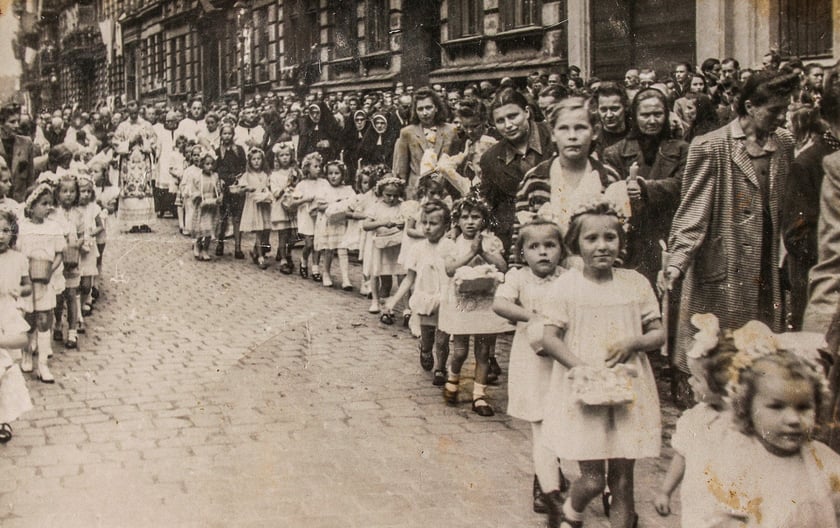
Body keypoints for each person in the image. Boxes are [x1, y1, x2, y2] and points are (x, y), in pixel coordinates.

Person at [664, 71, 800, 403]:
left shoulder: (783, 143)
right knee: (719, 362)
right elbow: (693, 211)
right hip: (724, 270)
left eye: (786, 109)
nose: (782, 117)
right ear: (750, 106)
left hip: (766, 268)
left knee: (761, 360)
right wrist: (677, 262)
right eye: (775, 110)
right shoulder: (711, 146)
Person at [541, 200, 665, 528]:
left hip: (628, 388)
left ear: (621, 242)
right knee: (594, 480)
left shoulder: (635, 283)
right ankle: (570, 510)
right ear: (575, 244)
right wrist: (580, 367)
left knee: (623, 481)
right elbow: (550, 337)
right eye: (591, 239)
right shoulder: (565, 286)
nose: (602, 246)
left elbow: (658, 334)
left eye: (610, 238)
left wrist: (634, 342)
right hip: (584, 391)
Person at [697, 344, 840, 526]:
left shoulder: (825, 461)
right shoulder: (736, 459)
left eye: (803, 408)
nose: (793, 419)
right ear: (746, 408)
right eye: (777, 407)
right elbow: (722, 518)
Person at [492, 218, 567, 517]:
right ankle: (549, 490)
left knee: (564, 422)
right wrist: (530, 316)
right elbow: (500, 304)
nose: (543, 253)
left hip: (561, 361)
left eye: (550, 245)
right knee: (540, 425)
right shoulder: (518, 278)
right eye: (534, 247)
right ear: (522, 252)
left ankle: (556, 477)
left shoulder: (568, 278)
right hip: (532, 364)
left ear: (562, 249)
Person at [653, 313, 735, 525]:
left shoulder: (741, 421)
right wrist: (665, 490)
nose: (690, 381)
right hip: (698, 500)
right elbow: (681, 456)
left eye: (697, 379)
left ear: (722, 384)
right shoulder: (694, 419)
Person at [604, 88, 688, 284]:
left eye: (658, 114)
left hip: (668, 235)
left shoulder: (683, 149)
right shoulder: (615, 153)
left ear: (667, 115)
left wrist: (645, 187)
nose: (652, 121)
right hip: (631, 240)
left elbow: (684, 184)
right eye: (645, 115)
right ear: (634, 116)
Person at [439, 195, 510, 417]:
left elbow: (503, 266)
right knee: (460, 351)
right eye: (465, 217)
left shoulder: (491, 242)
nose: (470, 222)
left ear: (484, 220)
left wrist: (484, 252)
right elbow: (450, 270)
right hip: (463, 303)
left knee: (483, 351)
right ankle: (453, 378)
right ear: (457, 220)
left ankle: (479, 395)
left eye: (476, 217)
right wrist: (471, 252)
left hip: (486, 301)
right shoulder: (452, 243)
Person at [384, 199, 454, 383]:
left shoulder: (450, 247)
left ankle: (440, 368)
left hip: (445, 298)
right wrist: (394, 300)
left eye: (433, 223)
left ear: (446, 225)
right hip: (424, 297)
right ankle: (424, 348)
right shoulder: (417, 249)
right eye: (425, 223)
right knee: (428, 336)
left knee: (443, 338)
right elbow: (409, 278)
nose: (428, 228)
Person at [479, 87, 556, 253]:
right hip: (517, 238)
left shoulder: (554, 135)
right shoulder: (490, 158)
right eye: (500, 121)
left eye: (513, 116)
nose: (508, 125)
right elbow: (488, 201)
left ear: (527, 112)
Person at [17, 183, 66, 383]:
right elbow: (18, 255)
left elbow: (60, 253)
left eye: (50, 203)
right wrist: (24, 273)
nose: (48, 207)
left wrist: (50, 270)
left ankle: (43, 365)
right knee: (28, 319)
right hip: (27, 280)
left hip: (46, 281)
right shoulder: (22, 228)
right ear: (31, 205)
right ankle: (27, 354)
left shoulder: (53, 227)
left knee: (44, 320)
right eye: (43, 204)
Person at [0, 209, 33, 444]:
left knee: (6, 370)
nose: (0, 235)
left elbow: (28, 286)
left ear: (13, 234)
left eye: (5, 230)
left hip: (7, 310)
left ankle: (3, 418)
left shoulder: (18, 258)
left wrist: (19, 291)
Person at [392, 87, 458, 200]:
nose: (425, 113)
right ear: (415, 111)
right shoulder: (407, 132)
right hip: (415, 191)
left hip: (443, 191)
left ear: (436, 108)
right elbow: (402, 171)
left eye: (428, 108)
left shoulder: (450, 130)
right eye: (420, 109)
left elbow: (455, 163)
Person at [362, 175, 407, 316]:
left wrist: (402, 224)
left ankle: (406, 305)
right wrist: (382, 223)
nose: (392, 199)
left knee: (401, 273)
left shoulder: (402, 206)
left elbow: (409, 221)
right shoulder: (376, 207)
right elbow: (366, 225)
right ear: (381, 193)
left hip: (396, 244)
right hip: (380, 245)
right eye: (388, 195)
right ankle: (375, 301)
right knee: (378, 272)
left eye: (396, 195)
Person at [113, 100, 157, 233]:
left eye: (135, 112)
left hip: (143, 163)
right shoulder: (122, 126)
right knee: (131, 191)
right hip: (129, 163)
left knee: (143, 189)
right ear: (127, 111)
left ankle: (144, 222)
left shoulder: (147, 125)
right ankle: (132, 223)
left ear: (139, 111)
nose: (133, 115)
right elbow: (115, 143)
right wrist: (130, 142)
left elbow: (154, 142)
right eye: (130, 112)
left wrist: (144, 142)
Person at [50, 174, 83, 350]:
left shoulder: (79, 214)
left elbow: (83, 234)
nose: (68, 194)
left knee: (71, 294)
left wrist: (78, 243)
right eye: (64, 191)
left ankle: (72, 330)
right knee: (57, 296)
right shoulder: (53, 214)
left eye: (71, 191)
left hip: (72, 260)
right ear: (58, 193)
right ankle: (57, 323)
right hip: (58, 260)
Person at [313, 160, 356, 289]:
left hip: (341, 222)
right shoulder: (324, 189)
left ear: (342, 175)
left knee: (343, 249)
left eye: (336, 173)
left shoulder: (347, 190)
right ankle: (326, 273)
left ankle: (345, 278)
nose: (333, 176)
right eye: (330, 173)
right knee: (329, 249)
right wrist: (335, 203)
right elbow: (320, 206)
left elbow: (353, 203)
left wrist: (345, 204)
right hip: (328, 224)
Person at [289, 152, 325, 280]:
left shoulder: (323, 183)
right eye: (315, 166)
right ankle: (303, 262)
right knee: (309, 243)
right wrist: (305, 199)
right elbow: (293, 203)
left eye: (319, 166)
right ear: (307, 168)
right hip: (306, 217)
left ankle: (315, 269)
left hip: (319, 216)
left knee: (317, 244)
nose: (318, 169)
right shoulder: (302, 185)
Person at [215, 123, 247, 258]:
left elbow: (244, 166)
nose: (227, 136)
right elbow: (215, 168)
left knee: (237, 217)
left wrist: (240, 177)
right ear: (221, 135)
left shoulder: (239, 150)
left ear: (233, 135)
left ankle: (238, 248)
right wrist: (220, 179)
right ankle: (220, 243)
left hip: (236, 185)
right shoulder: (218, 152)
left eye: (229, 133)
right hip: (224, 187)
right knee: (222, 217)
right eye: (224, 133)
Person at [238, 148, 273, 268]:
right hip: (254, 205)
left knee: (265, 231)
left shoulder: (265, 175)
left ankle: (256, 251)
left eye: (259, 159)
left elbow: (269, 187)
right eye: (254, 159)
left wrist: (267, 192)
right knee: (259, 231)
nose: (256, 161)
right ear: (250, 161)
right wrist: (247, 188)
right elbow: (240, 190)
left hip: (264, 205)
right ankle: (260, 257)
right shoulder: (247, 175)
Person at [268, 143, 300, 274]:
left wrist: (295, 183)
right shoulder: (275, 175)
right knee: (283, 235)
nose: (285, 158)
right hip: (281, 207)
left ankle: (288, 254)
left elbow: (299, 186)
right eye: (282, 155)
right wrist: (285, 186)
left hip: (292, 206)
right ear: (277, 158)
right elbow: (275, 194)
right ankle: (283, 260)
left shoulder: (295, 172)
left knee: (293, 235)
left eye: (287, 155)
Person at [76, 175, 102, 326]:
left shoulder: (94, 208)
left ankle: (86, 299)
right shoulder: (73, 209)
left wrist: (92, 232)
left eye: (88, 191)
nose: (85, 194)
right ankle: (78, 311)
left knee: (86, 284)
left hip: (89, 248)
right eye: (82, 191)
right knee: (76, 282)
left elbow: (100, 226)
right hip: (77, 248)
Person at [189, 149, 222, 262]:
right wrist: (197, 196)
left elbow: (217, 190)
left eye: (212, 164)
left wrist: (219, 195)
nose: (210, 166)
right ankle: (198, 245)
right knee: (201, 229)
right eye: (207, 164)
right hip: (202, 206)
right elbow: (193, 190)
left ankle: (205, 249)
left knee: (209, 230)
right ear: (202, 164)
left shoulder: (215, 176)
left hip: (212, 206)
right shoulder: (198, 177)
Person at [0, 104, 34, 203]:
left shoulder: (26, 143)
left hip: (20, 202)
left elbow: (30, 178)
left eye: (18, 121)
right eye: (12, 122)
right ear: (1, 124)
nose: (17, 125)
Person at [592, 83, 630, 157]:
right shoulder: (593, 140)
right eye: (603, 110)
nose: (609, 115)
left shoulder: (637, 136)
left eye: (614, 109)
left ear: (626, 107)